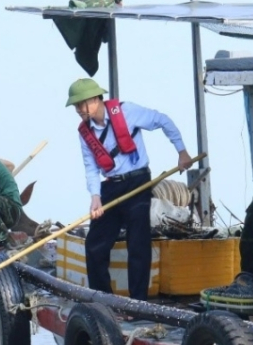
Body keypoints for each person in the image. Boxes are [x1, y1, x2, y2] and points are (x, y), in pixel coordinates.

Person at [67, 78, 193, 301]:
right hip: (111, 187)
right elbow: (90, 168)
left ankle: (138, 302)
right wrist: (95, 198)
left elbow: (162, 120)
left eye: (81, 104)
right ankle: (104, 300)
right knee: (95, 244)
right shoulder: (84, 133)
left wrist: (181, 151)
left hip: (138, 183)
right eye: (76, 106)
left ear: (96, 99)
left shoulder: (126, 111)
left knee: (138, 242)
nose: (78, 110)